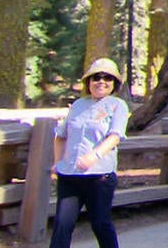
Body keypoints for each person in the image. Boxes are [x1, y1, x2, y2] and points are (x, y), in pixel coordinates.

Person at [50, 58, 130, 248]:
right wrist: (57, 161)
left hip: (99, 176)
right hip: (70, 175)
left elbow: (115, 136)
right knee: (62, 223)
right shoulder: (78, 105)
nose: (101, 82)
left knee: (100, 223)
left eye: (107, 78)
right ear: (88, 82)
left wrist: (94, 156)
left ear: (114, 83)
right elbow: (61, 136)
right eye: (96, 77)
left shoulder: (117, 106)